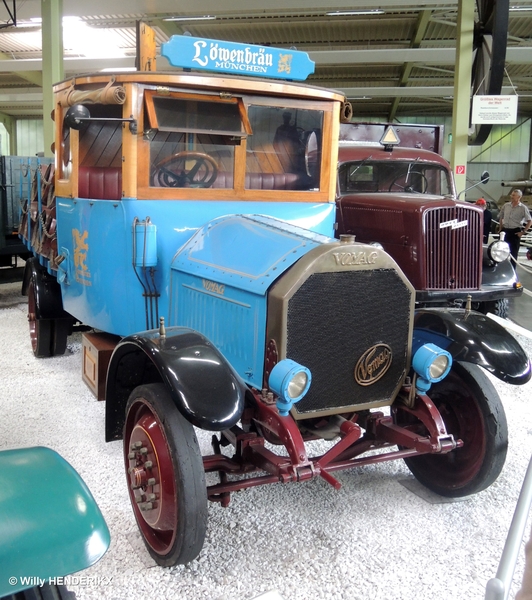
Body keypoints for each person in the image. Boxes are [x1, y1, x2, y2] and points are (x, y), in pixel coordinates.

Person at [498, 189, 532, 263]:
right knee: (501, 251)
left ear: (519, 197)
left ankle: (513, 269)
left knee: (513, 253)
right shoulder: (506, 205)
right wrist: (501, 228)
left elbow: (530, 221)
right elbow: (501, 217)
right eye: (511, 195)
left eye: (513, 195)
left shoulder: (523, 208)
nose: (511, 196)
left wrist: (523, 232)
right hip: (505, 231)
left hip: (515, 232)